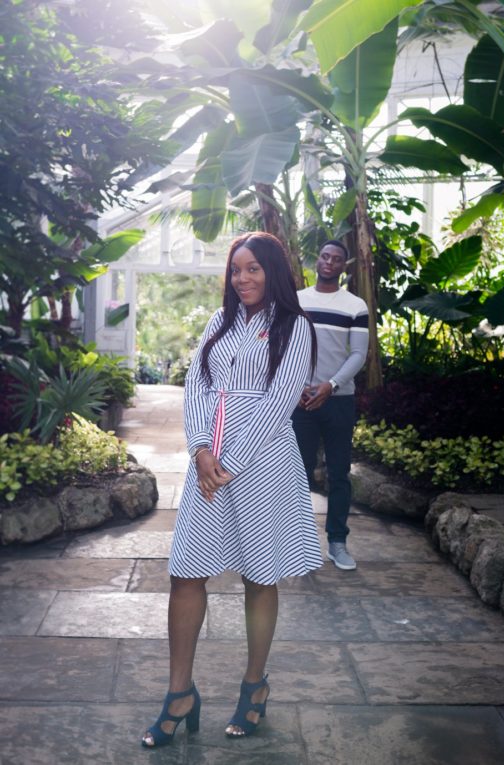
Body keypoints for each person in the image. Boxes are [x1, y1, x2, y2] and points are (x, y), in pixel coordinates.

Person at [141, 232, 321, 747]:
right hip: (209, 465)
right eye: (236, 269)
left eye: (253, 269)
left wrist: (230, 462)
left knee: (259, 577)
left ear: (273, 272)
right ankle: (180, 694)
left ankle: (254, 686)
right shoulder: (217, 323)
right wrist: (200, 449)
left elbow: (281, 399)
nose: (242, 278)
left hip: (262, 464)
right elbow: (196, 384)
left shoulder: (294, 327)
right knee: (186, 574)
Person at [291, 239, 368, 571]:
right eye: (325, 256)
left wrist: (331, 384)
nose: (329, 262)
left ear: (343, 266)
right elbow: (285, 348)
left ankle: (337, 543)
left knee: (339, 474)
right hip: (301, 400)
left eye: (336, 259)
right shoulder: (296, 301)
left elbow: (358, 354)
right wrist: (294, 388)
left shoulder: (355, 306)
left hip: (339, 401)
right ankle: (299, 545)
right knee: (298, 474)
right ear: (317, 260)